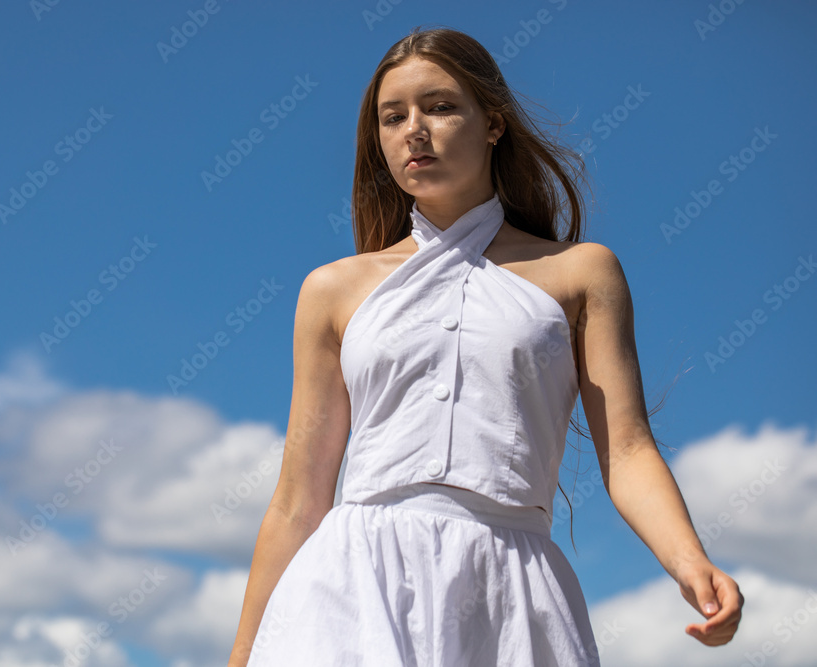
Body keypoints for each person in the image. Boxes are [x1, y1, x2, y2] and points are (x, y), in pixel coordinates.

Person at [227, 25, 743, 666]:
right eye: (393, 117)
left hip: (512, 588)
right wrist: (244, 653)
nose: (414, 129)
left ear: (493, 123)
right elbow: (298, 499)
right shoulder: (332, 290)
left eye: (440, 106)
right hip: (351, 586)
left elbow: (629, 449)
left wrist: (691, 561)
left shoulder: (581, 273)